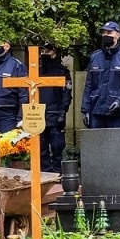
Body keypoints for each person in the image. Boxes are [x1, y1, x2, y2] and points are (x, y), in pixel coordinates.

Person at [82, 21, 120, 128]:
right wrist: (85, 110)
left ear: (118, 35)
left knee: (118, 144)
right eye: (103, 33)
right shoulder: (95, 57)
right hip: (97, 112)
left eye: (109, 32)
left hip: (118, 114)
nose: (105, 35)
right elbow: (89, 86)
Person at [37, 42, 71, 173]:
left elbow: (67, 94)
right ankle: (45, 173)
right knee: (41, 147)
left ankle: (57, 173)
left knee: (57, 146)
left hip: (55, 113)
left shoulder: (62, 72)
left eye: (47, 52)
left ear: (54, 54)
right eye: (42, 52)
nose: (43, 55)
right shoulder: (37, 72)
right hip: (38, 115)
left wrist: (62, 112)